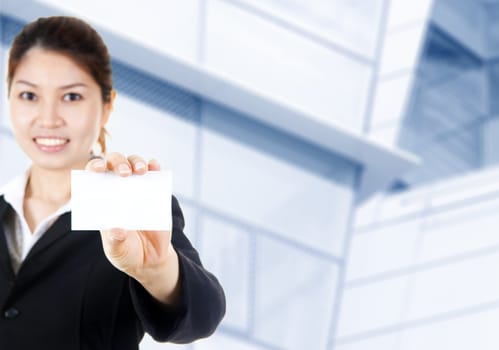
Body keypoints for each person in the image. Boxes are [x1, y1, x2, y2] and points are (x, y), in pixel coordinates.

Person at [0, 16, 225, 349]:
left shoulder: (128, 207)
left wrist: (157, 269)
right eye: (29, 96)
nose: (48, 118)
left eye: (72, 97)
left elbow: (203, 313)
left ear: (107, 107)